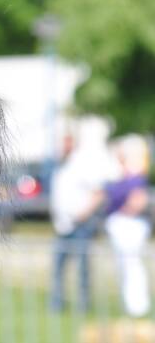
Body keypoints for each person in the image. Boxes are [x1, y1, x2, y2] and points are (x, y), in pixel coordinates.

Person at [50, 133, 104, 312]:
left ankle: (83, 305)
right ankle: (57, 304)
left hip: (81, 225)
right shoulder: (60, 168)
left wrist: (84, 213)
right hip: (62, 225)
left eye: (66, 143)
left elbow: (99, 193)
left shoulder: (81, 166)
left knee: (82, 269)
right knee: (57, 268)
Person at [105, 135, 151, 317]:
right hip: (122, 225)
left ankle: (137, 306)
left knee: (131, 266)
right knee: (125, 267)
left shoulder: (136, 178)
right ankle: (132, 305)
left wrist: (122, 212)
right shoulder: (123, 176)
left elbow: (138, 201)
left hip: (129, 226)